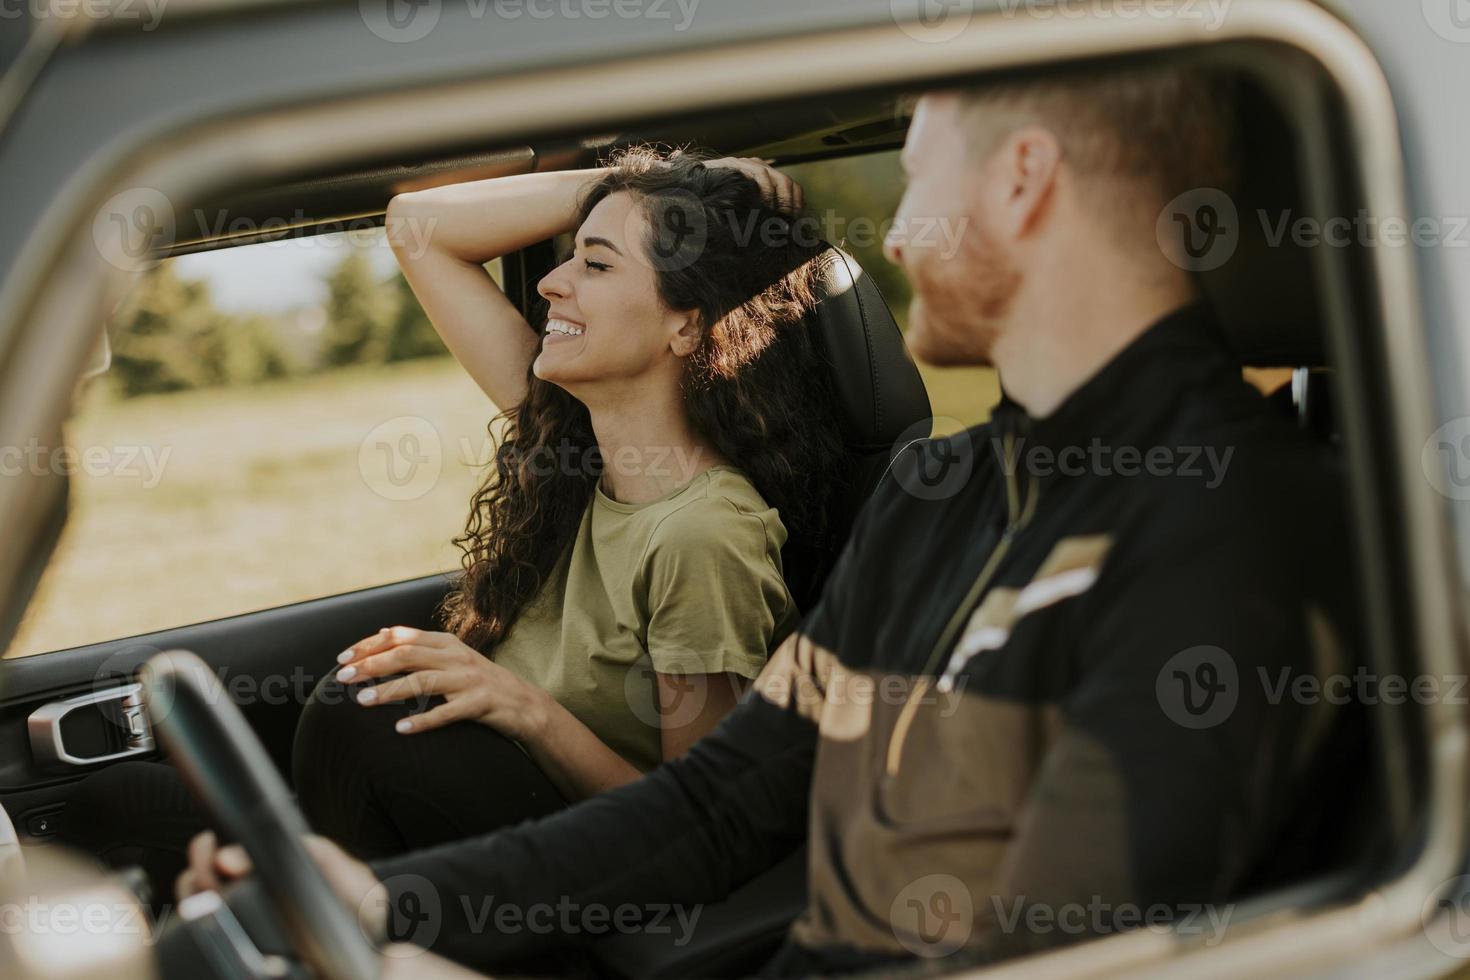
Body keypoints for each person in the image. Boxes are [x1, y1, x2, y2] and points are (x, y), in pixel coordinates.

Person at [177, 65, 1362, 976]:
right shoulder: (935, 496)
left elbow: (1066, 944)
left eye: (918, 176)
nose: (893, 237)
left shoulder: (1242, 523)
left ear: (1022, 179)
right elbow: (721, 800)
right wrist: (390, 903)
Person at [58, 148, 848, 896]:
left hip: (566, 872)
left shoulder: (702, 534)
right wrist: (654, 181)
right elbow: (417, 228)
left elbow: (695, 828)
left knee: (364, 723)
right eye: (568, 255)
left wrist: (523, 707)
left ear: (687, 323)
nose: (552, 283)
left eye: (596, 264)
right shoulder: (569, 443)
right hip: (457, 828)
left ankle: (337, 930)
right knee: (114, 805)